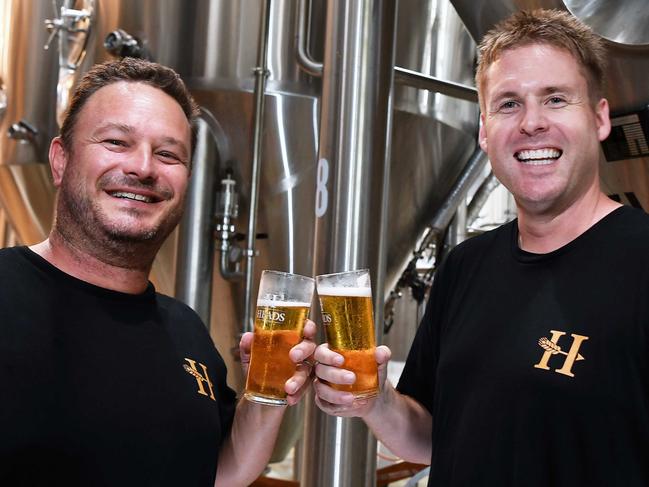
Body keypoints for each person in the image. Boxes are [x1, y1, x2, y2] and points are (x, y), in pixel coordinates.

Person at [313, 8, 649, 486]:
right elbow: (430, 438)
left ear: (599, 119)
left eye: (555, 99)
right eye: (508, 104)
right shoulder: (466, 266)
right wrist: (376, 400)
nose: (532, 123)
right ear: (484, 131)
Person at [0, 58, 315, 487]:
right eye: (116, 141)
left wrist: (271, 388)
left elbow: (218, 472)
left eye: (168, 153)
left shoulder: (186, 330)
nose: (144, 167)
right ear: (60, 160)